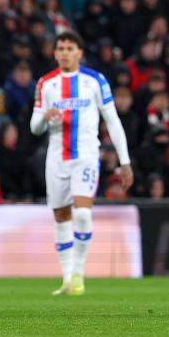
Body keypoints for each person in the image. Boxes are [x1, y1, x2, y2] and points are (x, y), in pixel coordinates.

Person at [30, 31, 134, 296]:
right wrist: (45, 117)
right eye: (60, 48)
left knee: (84, 214)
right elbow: (34, 127)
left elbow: (112, 120)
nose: (64, 52)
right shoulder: (46, 83)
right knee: (62, 218)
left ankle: (78, 274)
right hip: (56, 159)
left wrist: (125, 161)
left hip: (86, 156)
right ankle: (66, 279)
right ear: (55, 53)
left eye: (69, 48)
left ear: (79, 52)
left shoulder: (95, 81)